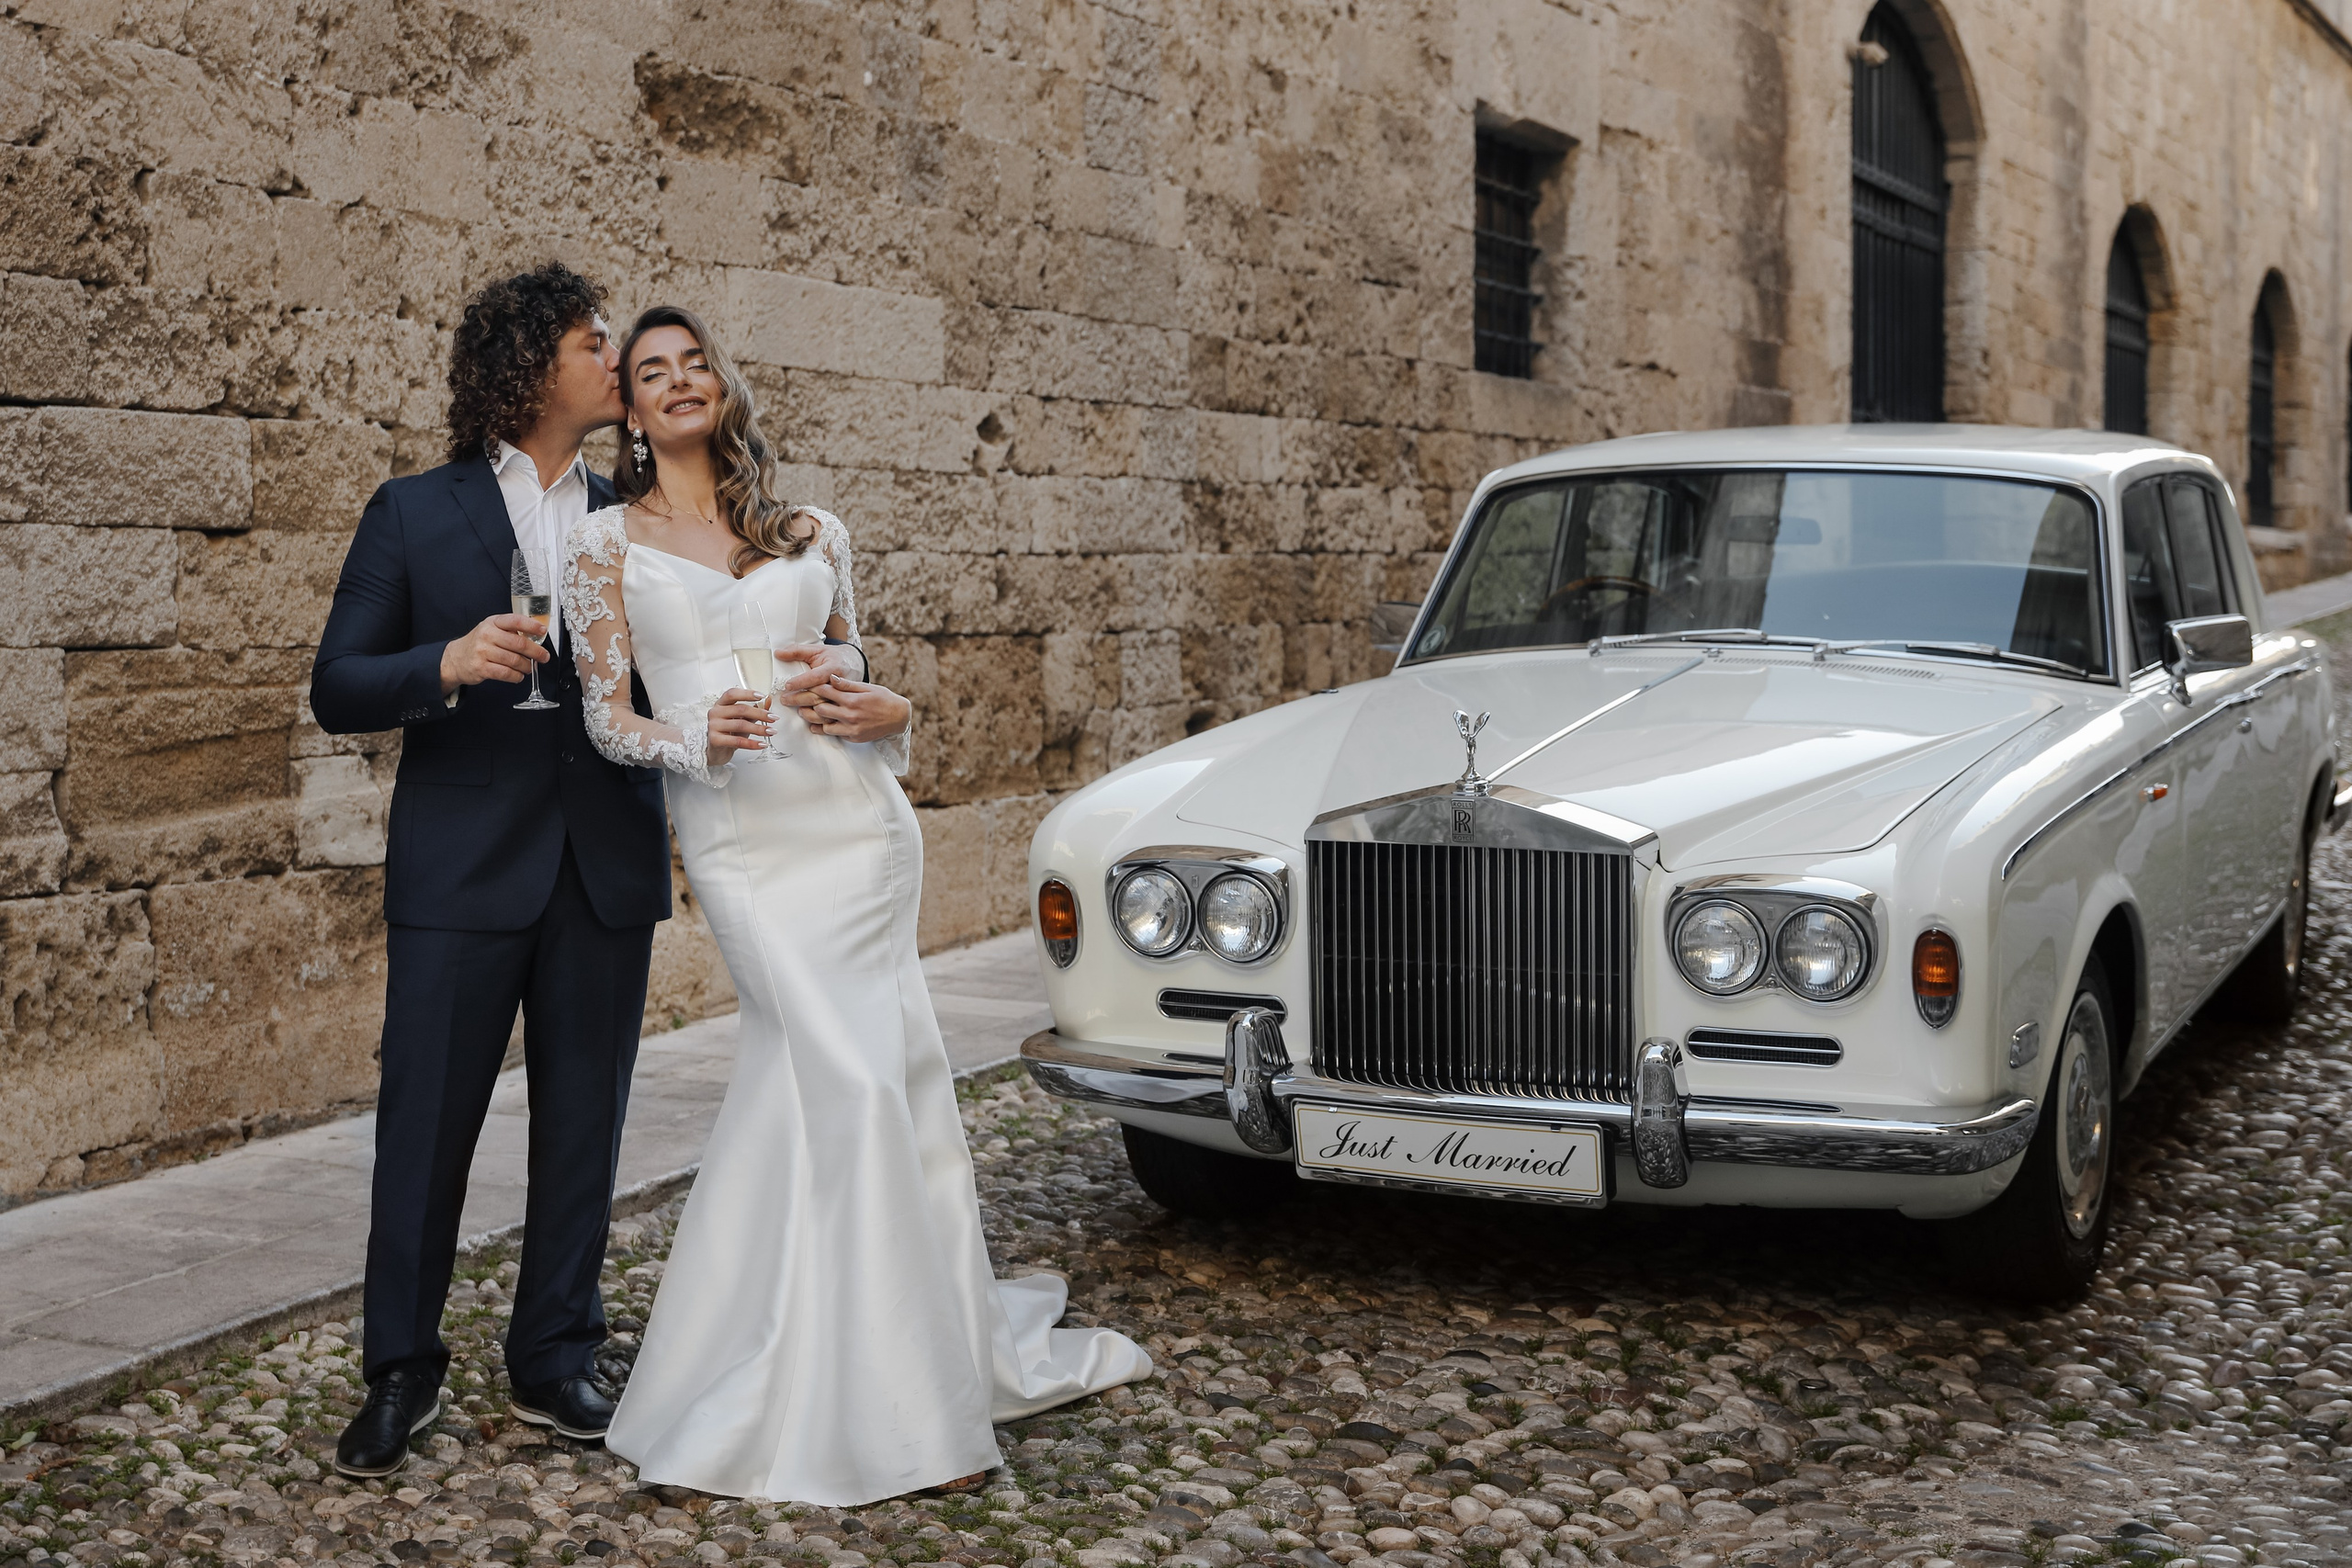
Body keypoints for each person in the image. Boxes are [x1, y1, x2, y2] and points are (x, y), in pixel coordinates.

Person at [565, 304, 1152, 1506]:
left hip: (856, 827)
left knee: (865, 1078)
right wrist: (691, 737)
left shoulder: (810, 530)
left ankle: (903, 1384)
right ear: (630, 411)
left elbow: (853, 671)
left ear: (722, 387)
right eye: (652, 371)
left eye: (695, 363)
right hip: (742, 838)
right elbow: (606, 719)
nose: (678, 381)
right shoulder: (601, 547)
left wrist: (894, 712)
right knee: (837, 1072)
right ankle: (841, 1385)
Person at [310, 265, 866, 1479]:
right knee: (424, 1128)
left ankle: (557, 1353)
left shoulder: (640, 512)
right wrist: (448, 660)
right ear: (530, 364)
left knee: (585, 1127)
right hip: (460, 869)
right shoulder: (413, 511)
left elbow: (736, 641)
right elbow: (335, 684)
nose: (617, 361)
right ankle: (400, 1370)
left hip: (604, 857)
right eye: (594, 342)